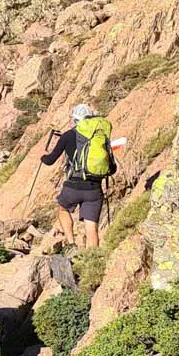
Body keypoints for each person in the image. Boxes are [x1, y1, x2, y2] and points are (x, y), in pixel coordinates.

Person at [40, 103, 116, 248]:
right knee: (91, 227)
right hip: (94, 189)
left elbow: (50, 160)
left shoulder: (68, 135)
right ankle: (92, 257)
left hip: (73, 186)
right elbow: (112, 168)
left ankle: (71, 244)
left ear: (75, 120)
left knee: (63, 209)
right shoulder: (99, 136)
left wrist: (43, 157)